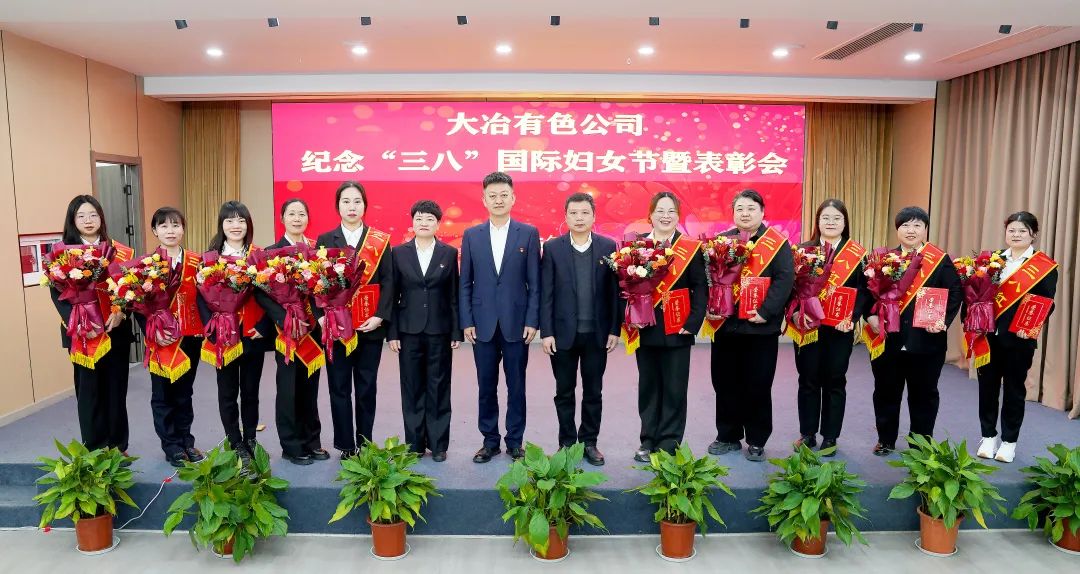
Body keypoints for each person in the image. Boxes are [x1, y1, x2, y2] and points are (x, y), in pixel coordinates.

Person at [863, 206, 962, 456]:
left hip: (926, 341)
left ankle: (920, 444)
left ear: (925, 229)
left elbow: (955, 292)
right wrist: (870, 315)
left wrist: (943, 321)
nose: (911, 230)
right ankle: (885, 440)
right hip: (889, 340)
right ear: (897, 229)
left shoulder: (939, 260)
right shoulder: (883, 259)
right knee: (885, 392)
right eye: (905, 225)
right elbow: (867, 293)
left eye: (917, 225)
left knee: (924, 396)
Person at [708, 189, 794, 462]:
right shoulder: (723, 241)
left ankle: (757, 440)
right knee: (724, 382)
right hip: (727, 327)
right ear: (733, 213)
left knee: (758, 384)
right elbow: (711, 278)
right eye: (740, 209)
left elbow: (785, 280)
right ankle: (727, 435)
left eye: (751, 208)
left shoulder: (777, 244)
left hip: (760, 328)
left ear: (762, 212)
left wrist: (766, 312)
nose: (745, 214)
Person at [460, 172, 541, 463]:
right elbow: (465, 282)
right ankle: (490, 441)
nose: (498, 200)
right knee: (486, 386)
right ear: (484, 200)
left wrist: (532, 320)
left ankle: (515, 441)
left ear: (513, 198)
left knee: (516, 386)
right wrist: (467, 321)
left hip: (517, 324)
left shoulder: (528, 233)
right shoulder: (472, 235)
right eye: (492, 196)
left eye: (503, 195)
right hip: (482, 324)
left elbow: (535, 283)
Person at [539, 193, 620, 466]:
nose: (579, 218)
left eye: (585, 213)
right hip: (562, 335)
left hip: (597, 335)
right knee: (564, 391)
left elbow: (614, 293)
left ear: (594, 216)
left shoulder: (608, 246)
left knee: (593, 392)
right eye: (573, 213)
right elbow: (546, 293)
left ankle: (589, 442)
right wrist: (546, 332)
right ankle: (566, 443)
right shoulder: (553, 248)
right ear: (566, 217)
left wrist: (614, 329)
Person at [48, 195, 134, 452]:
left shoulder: (119, 251)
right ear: (72, 220)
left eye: (93, 215)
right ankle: (95, 448)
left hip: (115, 330)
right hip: (82, 334)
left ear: (101, 218)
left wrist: (120, 312)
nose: (88, 220)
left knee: (116, 389)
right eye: (81, 216)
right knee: (89, 392)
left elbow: (130, 287)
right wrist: (79, 322)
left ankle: (118, 445)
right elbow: (57, 293)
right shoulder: (62, 254)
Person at [316, 181, 394, 459]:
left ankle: (365, 442)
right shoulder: (325, 239)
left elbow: (389, 281)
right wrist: (321, 317)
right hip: (337, 328)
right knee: (338, 387)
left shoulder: (380, 241)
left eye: (357, 201)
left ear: (365, 206)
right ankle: (346, 445)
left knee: (366, 387)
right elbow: (316, 282)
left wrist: (380, 316)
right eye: (346, 201)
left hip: (369, 327)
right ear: (338, 206)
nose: (352, 207)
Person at [629, 191, 707, 463]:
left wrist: (693, 322)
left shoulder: (690, 248)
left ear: (678, 216)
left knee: (675, 388)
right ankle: (648, 439)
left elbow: (700, 287)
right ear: (650, 215)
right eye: (660, 211)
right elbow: (626, 286)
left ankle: (669, 442)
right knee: (648, 387)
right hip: (646, 327)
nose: (665, 216)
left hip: (679, 327)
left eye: (671, 211)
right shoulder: (636, 247)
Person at [974, 211, 1058, 463]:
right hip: (988, 336)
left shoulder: (1043, 266)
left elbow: (1046, 302)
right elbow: (977, 294)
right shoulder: (992, 260)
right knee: (987, 388)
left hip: (1019, 339)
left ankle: (1009, 441)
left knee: (1014, 390)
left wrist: (1030, 325)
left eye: (1022, 231)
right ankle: (988, 436)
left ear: (1033, 234)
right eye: (1012, 230)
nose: (1016, 235)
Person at [788, 199, 867, 456]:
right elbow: (791, 288)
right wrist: (795, 312)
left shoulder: (856, 254)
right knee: (808, 379)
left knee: (835, 381)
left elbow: (864, 291)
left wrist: (852, 317)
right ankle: (807, 433)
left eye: (836, 218)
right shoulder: (803, 250)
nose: (831, 222)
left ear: (845, 222)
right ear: (817, 221)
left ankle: (830, 436)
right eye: (825, 218)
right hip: (808, 327)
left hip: (839, 329)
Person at [255, 198, 330, 465]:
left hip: (312, 330)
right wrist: (284, 317)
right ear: (282, 218)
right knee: (288, 389)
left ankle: (312, 441)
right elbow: (261, 293)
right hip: (285, 331)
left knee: (310, 387)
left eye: (301, 214)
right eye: (292, 214)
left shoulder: (317, 251)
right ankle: (291, 445)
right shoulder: (270, 252)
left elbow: (324, 289)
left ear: (308, 218)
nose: (297, 219)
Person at [199, 200, 273, 466]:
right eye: (229, 220)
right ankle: (234, 440)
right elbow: (200, 299)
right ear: (221, 225)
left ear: (248, 224)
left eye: (241, 220)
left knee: (251, 390)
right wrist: (211, 329)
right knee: (227, 391)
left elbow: (273, 295)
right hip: (224, 335)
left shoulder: (259, 256)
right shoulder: (210, 259)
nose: (236, 225)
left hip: (252, 333)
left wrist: (264, 327)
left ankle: (251, 437)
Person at [387, 200, 462, 463]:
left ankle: (439, 444)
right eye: (419, 218)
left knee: (439, 386)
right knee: (412, 387)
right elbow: (391, 295)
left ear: (438, 224)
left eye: (430, 219)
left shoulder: (448, 253)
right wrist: (392, 333)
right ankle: (415, 443)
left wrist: (455, 332)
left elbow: (454, 295)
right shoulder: (398, 253)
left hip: (439, 330)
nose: (424, 223)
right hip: (408, 330)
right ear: (412, 223)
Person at [140, 207, 206, 467]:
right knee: (162, 394)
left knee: (184, 392)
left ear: (183, 229)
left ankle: (186, 441)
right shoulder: (146, 265)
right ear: (155, 230)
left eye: (176, 225)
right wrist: (154, 331)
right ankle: (171, 445)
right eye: (164, 226)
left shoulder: (197, 261)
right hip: (161, 339)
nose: (170, 231)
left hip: (190, 335)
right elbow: (137, 305)